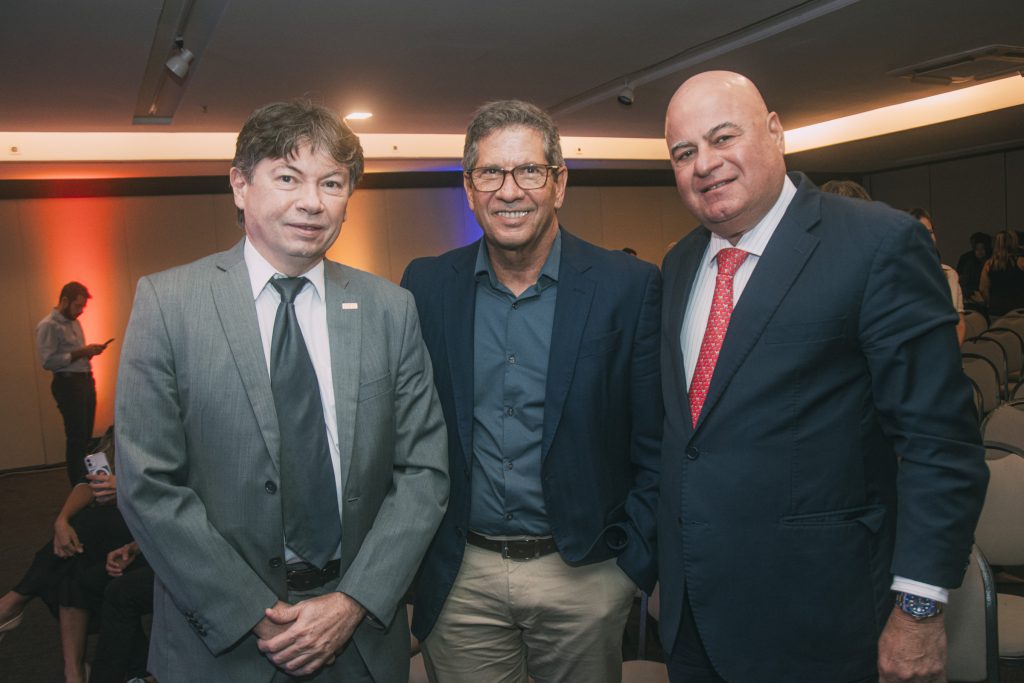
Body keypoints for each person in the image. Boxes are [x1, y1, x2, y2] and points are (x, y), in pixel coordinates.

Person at [659, 71, 987, 683]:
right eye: (684, 152)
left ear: (776, 132)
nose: (705, 164)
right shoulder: (680, 264)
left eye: (723, 137)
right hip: (694, 620)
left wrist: (918, 612)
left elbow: (940, 447)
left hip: (821, 622)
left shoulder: (876, 244)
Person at [115, 100, 449, 683]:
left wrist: (352, 602)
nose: (312, 202)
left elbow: (423, 471)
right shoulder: (169, 304)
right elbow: (148, 484)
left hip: (360, 633)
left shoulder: (389, 309)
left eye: (332, 183)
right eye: (288, 177)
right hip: (222, 642)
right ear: (240, 185)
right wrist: (252, 614)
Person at [401, 99, 662, 683]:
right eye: (490, 173)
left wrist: (629, 568)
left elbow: (656, 439)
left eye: (529, 172)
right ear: (469, 189)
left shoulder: (629, 287)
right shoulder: (425, 286)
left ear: (559, 182)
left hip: (585, 574)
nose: (509, 190)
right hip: (462, 574)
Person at [0, 427, 127, 683]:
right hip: (113, 522)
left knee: (88, 525)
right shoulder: (123, 427)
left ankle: (12, 603)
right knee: (73, 554)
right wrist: (61, 520)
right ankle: (74, 673)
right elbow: (88, 481)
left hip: (153, 525)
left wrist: (126, 489)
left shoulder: (176, 427)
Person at [36, 281, 112, 485]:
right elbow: (48, 361)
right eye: (78, 306)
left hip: (85, 381)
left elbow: (73, 356)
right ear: (64, 301)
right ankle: (78, 484)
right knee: (77, 437)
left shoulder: (74, 322)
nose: (80, 311)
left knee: (86, 436)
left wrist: (89, 352)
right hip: (68, 385)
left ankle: (89, 482)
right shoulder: (48, 325)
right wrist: (82, 352)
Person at [910, 208, 967, 345]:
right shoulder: (895, 276)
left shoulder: (949, 275)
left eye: (930, 232)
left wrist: (947, 359)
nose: (928, 238)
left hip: (946, 357)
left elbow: (959, 326)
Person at [980, 229, 1024, 317]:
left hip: (996, 310)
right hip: (1019, 310)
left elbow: (983, 288)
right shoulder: (1021, 261)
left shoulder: (989, 264)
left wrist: (990, 303)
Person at [956, 232, 992, 312]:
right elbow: (963, 283)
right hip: (973, 299)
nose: (980, 252)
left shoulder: (991, 264)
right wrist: (973, 294)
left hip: (991, 299)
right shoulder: (970, 264)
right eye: (977, 249)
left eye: (982, 249)